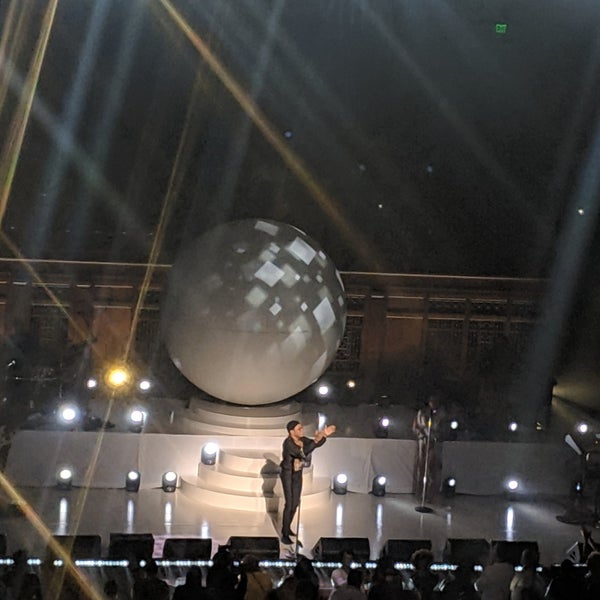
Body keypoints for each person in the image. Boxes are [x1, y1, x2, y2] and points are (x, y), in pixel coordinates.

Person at [280, 420, 336, 544]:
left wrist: (323, 435)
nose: (302, 430)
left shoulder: (303, 440)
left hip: (297, 475)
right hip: (288, 475)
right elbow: (302, 452)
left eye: (301, 428)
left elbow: (314, 444)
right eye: (299, 429)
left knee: (295, 503)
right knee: (289, 504)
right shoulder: (288, 443)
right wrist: (316, 440)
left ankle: (287, 527)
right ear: (291, 432)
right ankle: (284, 533)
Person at [412, 394, 446, 502]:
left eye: (436, 401)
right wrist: (422, 435)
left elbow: (444, 429)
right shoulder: (422, 413)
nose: (433, 403)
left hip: (435, 444)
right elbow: (415, 427)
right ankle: (419, 493)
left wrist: (437, 435)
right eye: (432, 401)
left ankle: (430, 495)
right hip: (423, 443)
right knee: (421, 467)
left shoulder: (441, 415)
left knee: (433, 469)